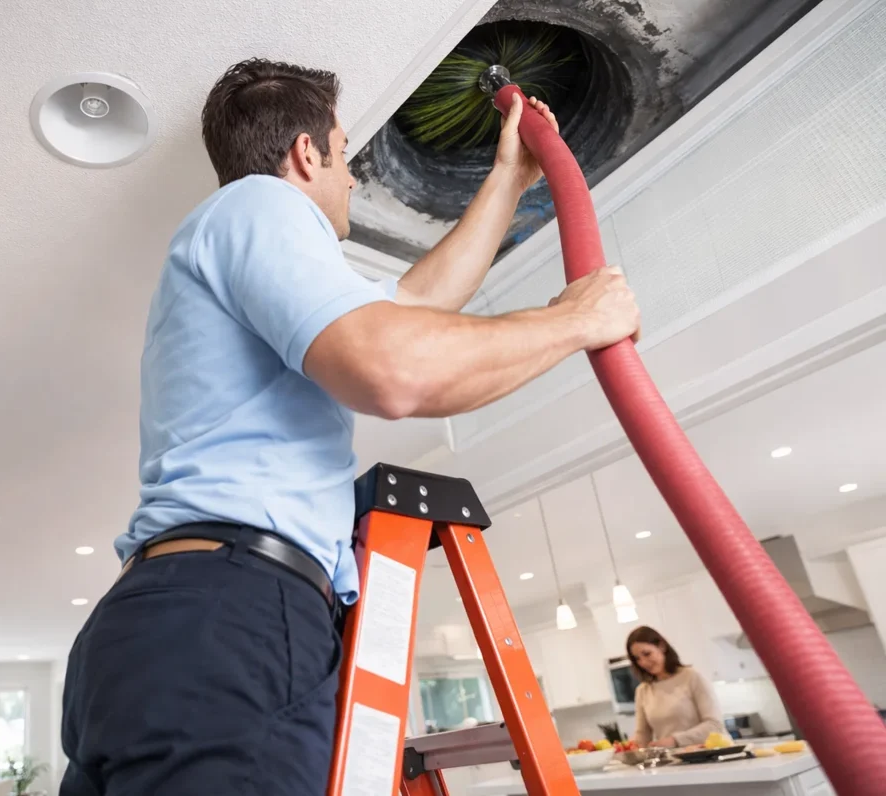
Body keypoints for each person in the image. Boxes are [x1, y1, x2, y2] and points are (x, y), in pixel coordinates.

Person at [59, 58, 641, 796]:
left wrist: (510, 177)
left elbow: (414, 307)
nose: (355, 179)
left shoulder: (241, 240)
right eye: (344, 153)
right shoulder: (260, 206)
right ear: (307, 153)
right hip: (230, 614)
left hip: (173, 623)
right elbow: (392, 369)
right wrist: (575, 319)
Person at [627, 626, 726, 749]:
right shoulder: (643, 691)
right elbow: (642, 734)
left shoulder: (691, 677)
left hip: (708, 758)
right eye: (637, 659)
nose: (643, 662)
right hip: (672, 763)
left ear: (661, 646)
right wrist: (628, 749)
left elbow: (714, 726)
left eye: (647, 654)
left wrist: (675, 740)